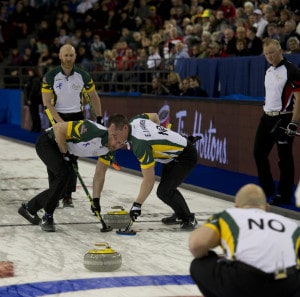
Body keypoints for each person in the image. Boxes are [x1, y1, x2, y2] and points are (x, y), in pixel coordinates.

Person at [189, 183, 300, 297]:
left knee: (198, 264)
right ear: (267, 207)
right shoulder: (291, 225)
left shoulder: (229, 215)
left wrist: (221, 259)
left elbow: (196, 245)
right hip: (286, 283)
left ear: (236, 207)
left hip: (244, 280)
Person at [105, 113, 198, 230]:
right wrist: (157, 132)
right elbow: (154, 116)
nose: (114, 140)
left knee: (165, 191)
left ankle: (189, 218)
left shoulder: (140, 145)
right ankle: (180, 214)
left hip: (185, 156)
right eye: (112, 136)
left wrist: (137, 205)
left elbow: (149, 180)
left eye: (115, 136)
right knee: (166, 189)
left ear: (125, 128)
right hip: (169, 156)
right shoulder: (135, 119)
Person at [18, 119, 114, 232]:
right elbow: (58, 128)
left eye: (122, 143)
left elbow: (99, 173)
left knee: (64, 189)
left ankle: (29, 208)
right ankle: (47, 215)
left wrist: (96, 200)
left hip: (66, 151)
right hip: (49, 143)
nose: (118, 145)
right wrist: (65, 154)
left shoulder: (110, 148)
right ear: (112, 133)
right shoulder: (92, 130)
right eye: (118, 141)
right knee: (63, 176)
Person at [42, 43, 103, 208]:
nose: (68, 58)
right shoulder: (50, 76)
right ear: (60, 56)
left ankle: (67, 195)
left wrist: (99, 117)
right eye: (65, 55)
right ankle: (54, 192)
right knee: (55, 157)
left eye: (71, 55)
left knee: (72, 156)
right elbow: (47, 102)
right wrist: (60, 124)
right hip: (57, 117)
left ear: (75, 57)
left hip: (77, 118)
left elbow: (94, 96)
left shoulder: (83, 75)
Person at [253, 38, 300, 206]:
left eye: (272, 52)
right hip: (267, 117)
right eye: (266, 54)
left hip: (284, 118)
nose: (269, 57)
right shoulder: (269, 71)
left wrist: (293, 122)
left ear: (280, 50)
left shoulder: (291, 70)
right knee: (258, 152)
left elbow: (298, 97)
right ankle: (267, 188)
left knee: (284, 157)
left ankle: (285, 195)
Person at [24, 67, 42, 132]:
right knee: (33, 114)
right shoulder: (30, 79)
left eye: (31, 72)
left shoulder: (36, 80)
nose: (29, 73)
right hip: (31, 99)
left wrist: (29, 99)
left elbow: (34, 90)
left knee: (35, 114)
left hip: (34, 99)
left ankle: (37, 127)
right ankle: (35, 126)